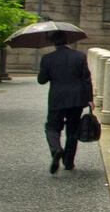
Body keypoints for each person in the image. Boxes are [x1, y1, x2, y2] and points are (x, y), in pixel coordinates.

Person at [37, 30, 93, 173]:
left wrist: (45, 71)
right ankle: (68, 162)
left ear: (53, 42)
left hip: (57, 98)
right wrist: (90, 99)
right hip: (77, 99)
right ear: (67, 40)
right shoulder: (79, 56)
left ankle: (56, 149)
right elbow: (86, 79)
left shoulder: (47, 58)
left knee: (52, 127)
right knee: (73, 130)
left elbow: (41, 80)